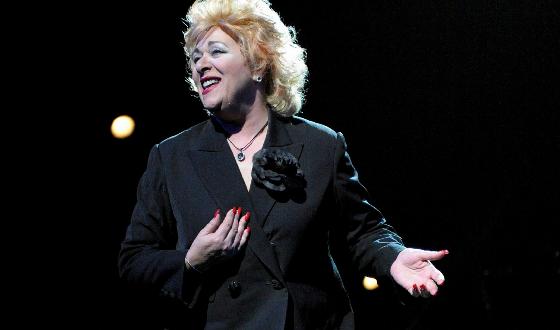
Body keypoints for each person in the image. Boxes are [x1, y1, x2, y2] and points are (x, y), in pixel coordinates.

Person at [118, 0, 448, 328]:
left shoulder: (321, 145)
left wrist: (394, 257)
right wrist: (191, 262)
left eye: (216, 51)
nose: (201, 64)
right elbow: (134, 260)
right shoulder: (172, 156)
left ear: (259, 62)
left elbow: (363, 231)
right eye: (195, 57)